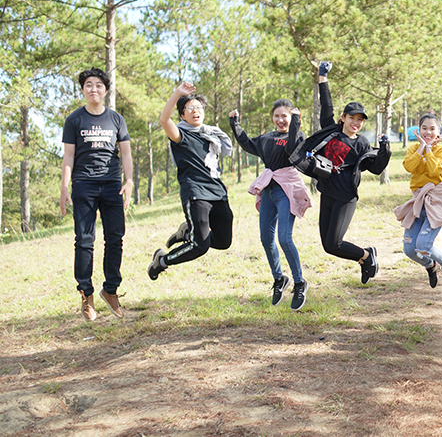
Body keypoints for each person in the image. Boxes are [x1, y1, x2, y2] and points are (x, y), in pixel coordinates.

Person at [292, 61, 391, 284]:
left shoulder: (363, 144)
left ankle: (367, 255)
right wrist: (322, 76)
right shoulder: (331, 130)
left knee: (336, 242)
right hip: (327, 192)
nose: (355, 122)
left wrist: (384, 150)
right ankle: (364, 258)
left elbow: (375, 169)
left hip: (346, 197)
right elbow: (326, 104)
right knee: (328, 246)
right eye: (352, 118)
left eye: (360, 120)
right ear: (343, 118)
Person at [60, 67, 134, 321]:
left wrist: (130, 180)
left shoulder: (116, 119)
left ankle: (110, 290)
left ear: (105, 90)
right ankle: (86, 295)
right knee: (84, 241)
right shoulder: (74, 120)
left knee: (115, 239)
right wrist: (64, 187)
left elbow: (125, 152)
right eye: (89, 85)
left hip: (112, 184)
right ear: (83, 89)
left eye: (98, 85)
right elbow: (69, 156)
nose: (94, 89)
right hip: (84, 185)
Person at [147, 82, 234, 282]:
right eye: (190, 108)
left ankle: (187, 232)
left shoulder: (210, 135)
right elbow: (163, 119)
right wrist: (178, 93)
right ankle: (162, 261)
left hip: (218, 192)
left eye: (199, 108)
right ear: (182, 115)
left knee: (223, 241)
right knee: (199, 246)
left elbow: (212, 164)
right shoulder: (180, 136)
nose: (196, 111)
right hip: (196, 193)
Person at [229, 100, 311, 310]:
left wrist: (296, 125)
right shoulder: (267, 138)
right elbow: (247, 143)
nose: (280, 120)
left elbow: (293, 151)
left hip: (286, 189)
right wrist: (234, 123)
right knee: (266, 238)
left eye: (285, 116)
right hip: (268, 190)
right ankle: (279, 279)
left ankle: (300, 282)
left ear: (292, 117)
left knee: (284, 238)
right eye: (277, 116)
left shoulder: (297, 135)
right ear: (272, 118)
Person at [393, 113, 442, 288]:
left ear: (438, 132)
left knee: (423, 245)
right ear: (418, 130)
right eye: (424, 128)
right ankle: (430, 265)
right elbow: (409, 166)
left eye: (432, 128)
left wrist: (429, 149)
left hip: (435, 201)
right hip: (417, 201)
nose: (428, 131)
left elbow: (435, 171)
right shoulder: (414, 148)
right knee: (409, 249)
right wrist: (422, 146)